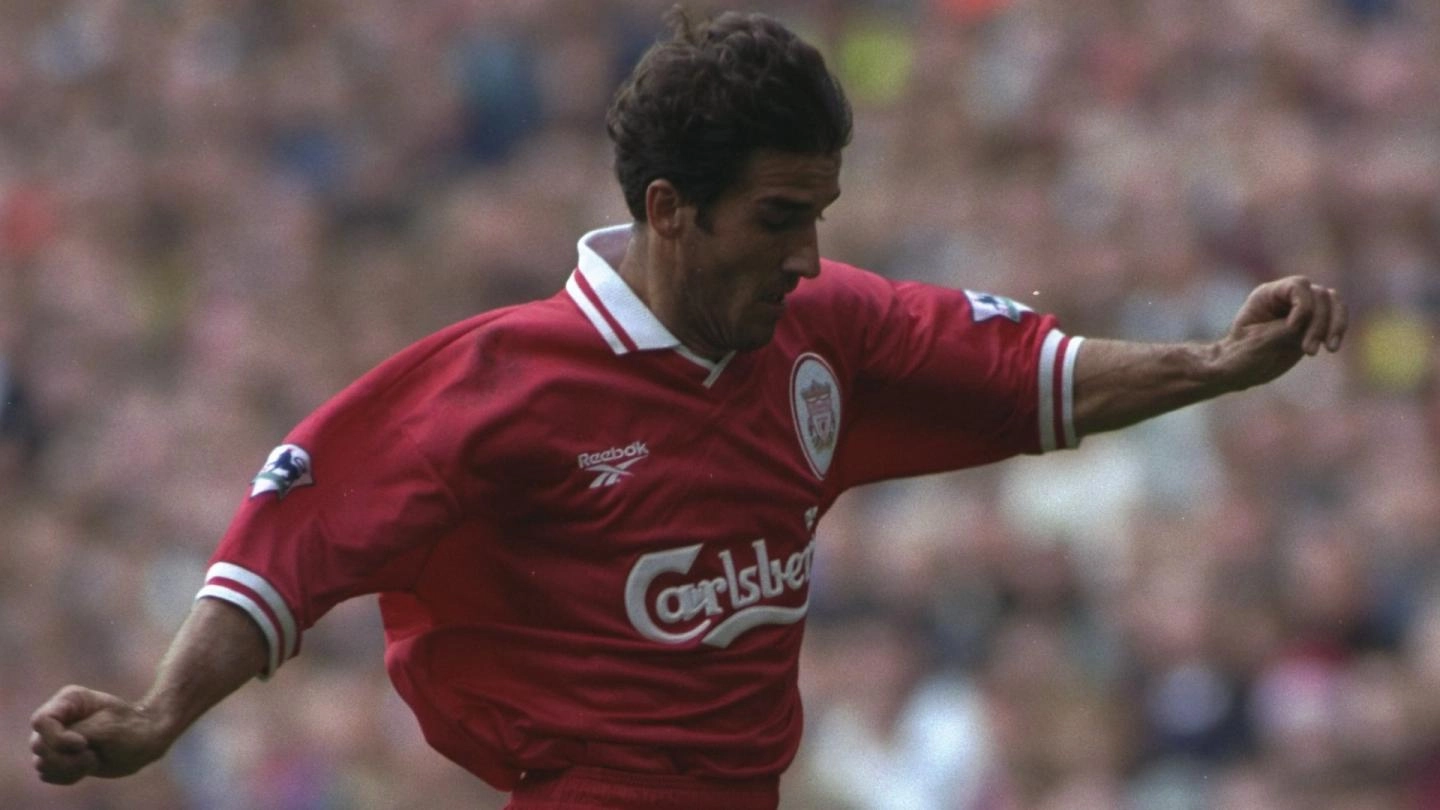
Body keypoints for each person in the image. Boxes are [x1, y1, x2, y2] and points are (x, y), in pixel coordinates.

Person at [29, 9, 1347, 810]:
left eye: (820, 215)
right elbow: (289, 541)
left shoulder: (821, 329)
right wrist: (158, 713)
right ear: (670, 210)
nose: (808, 256)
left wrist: (1215, 363)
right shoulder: (501, 385)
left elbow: (1023, 372)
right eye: (778, 218)